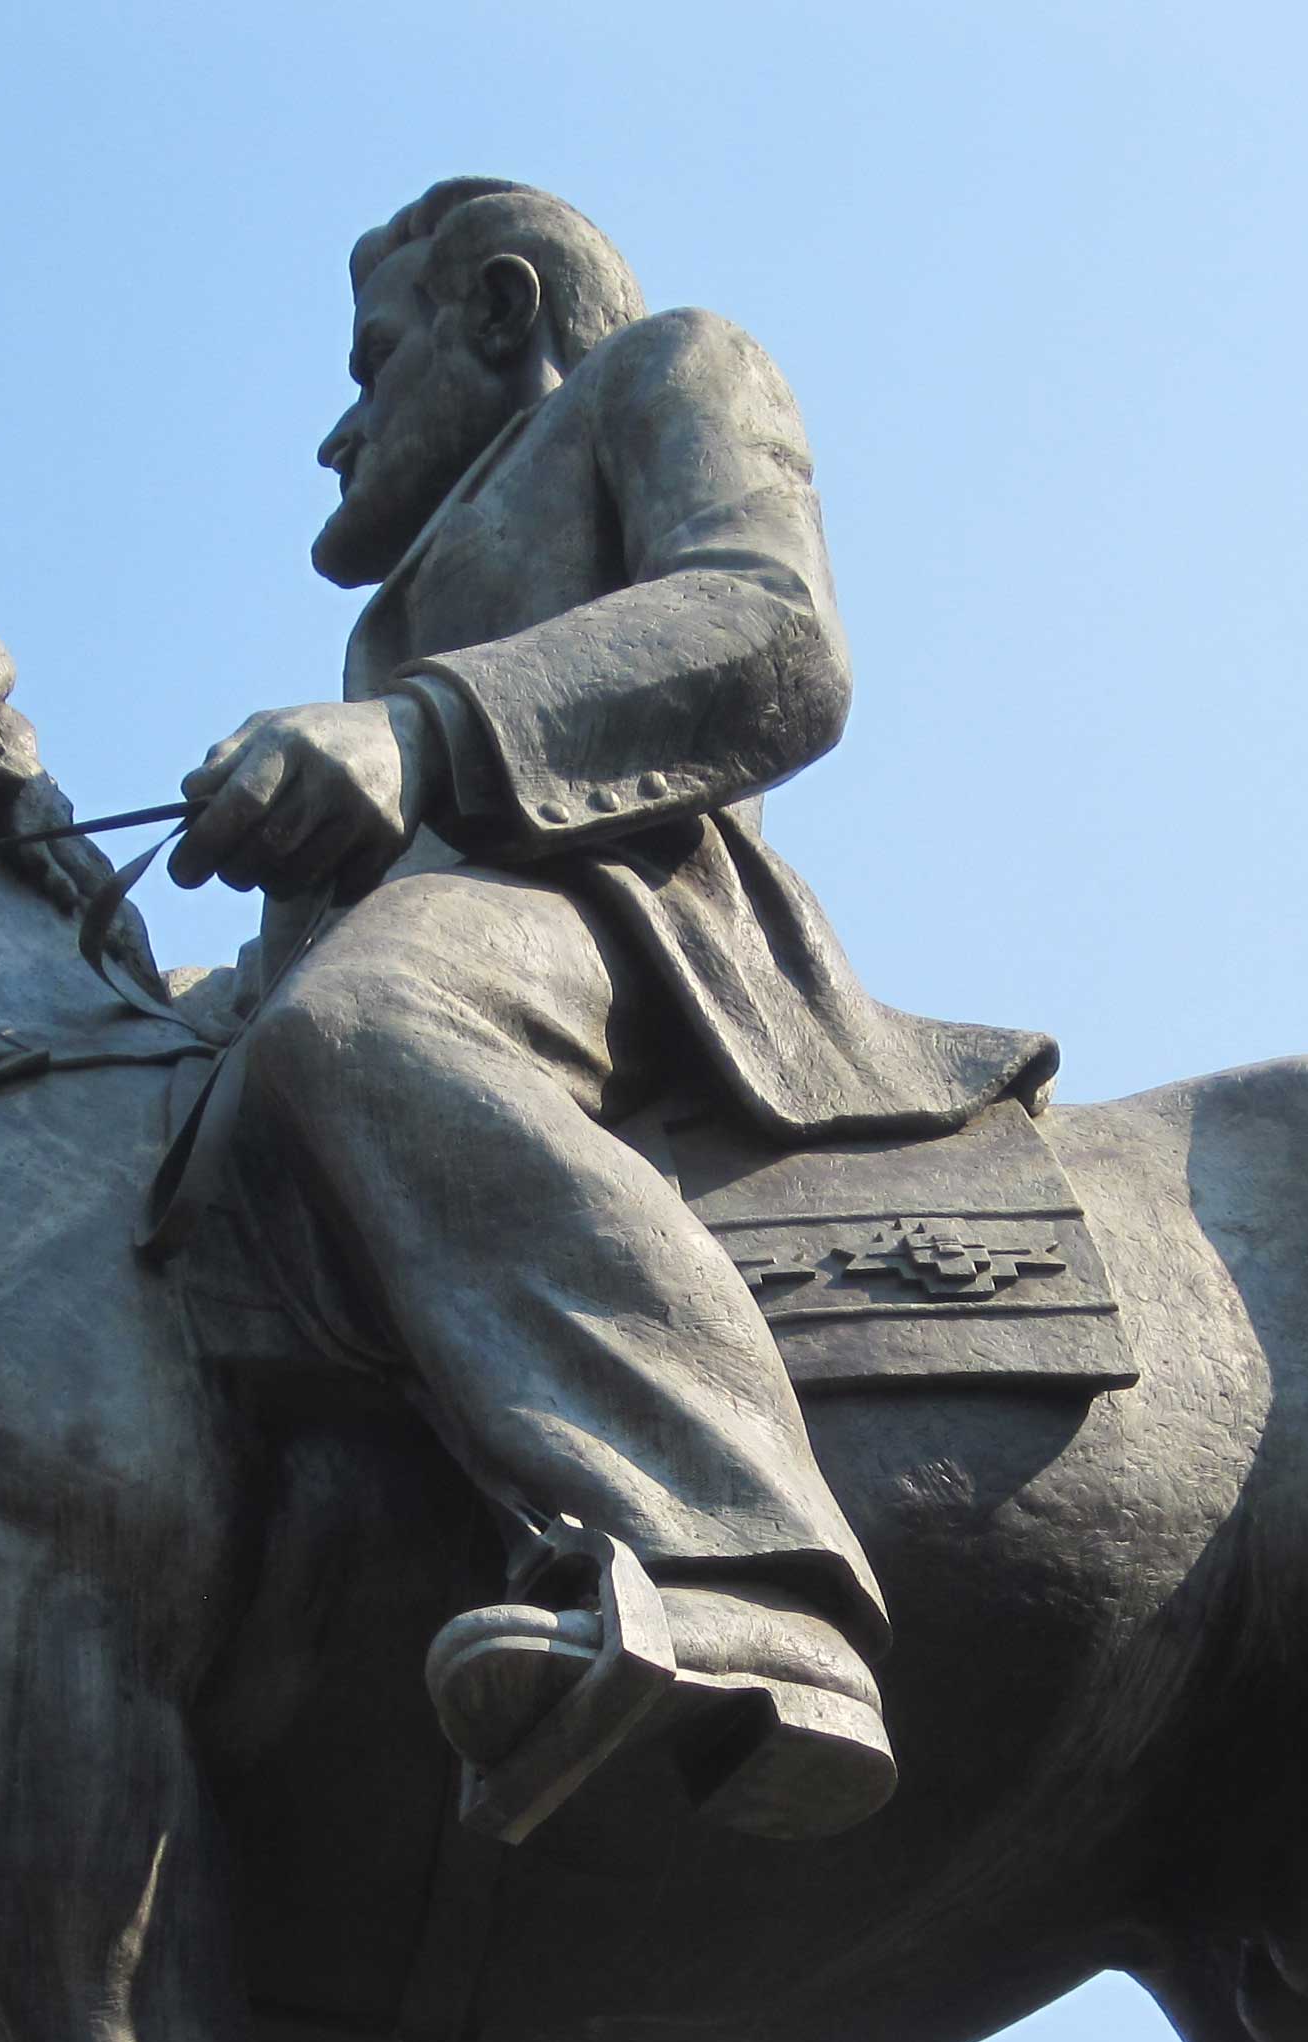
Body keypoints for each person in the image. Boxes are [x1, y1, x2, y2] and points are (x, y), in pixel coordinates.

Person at [171, 175, 1052, 1841]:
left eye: (370, 368)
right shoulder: (403, 597)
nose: (336, 435)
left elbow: (774, 630)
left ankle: (740, 1574)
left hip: (628, 924)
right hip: (447, 927)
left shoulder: (668, 373)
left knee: (369, 1030)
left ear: (498, 313)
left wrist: (415, 737)